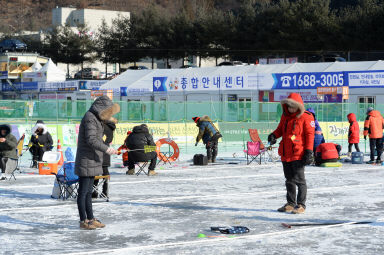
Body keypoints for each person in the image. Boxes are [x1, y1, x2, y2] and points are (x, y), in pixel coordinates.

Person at [75, 96, 120, 230]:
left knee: (89, 192)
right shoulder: (90, 117)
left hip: (93, 158)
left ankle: (91, 218)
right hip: (86, 159)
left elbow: (97, 139)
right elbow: (91, 140)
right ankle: (84, 220)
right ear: (101, 109)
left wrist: (107, 148)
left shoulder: (97, 119)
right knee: (83, 192)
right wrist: (107, 149)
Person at [267, 93, 315, 214]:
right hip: (286, 153)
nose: (291, 109)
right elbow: (279, 130)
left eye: (293, 106)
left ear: (299, 106)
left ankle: (301, 204)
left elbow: (310, 135)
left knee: (300, 180)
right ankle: (290, 203)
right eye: (289, 106)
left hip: (298, 153)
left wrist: (309, 152)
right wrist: (273, 135)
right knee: (289, 180)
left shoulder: (306, 117)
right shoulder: (285, 117)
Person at [92, 120, 116, 198]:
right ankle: (105, 191)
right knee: (105, 172)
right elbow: (109, 140)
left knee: (96, 173)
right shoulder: (110, 128)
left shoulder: (100, 127)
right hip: (106, 152)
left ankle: (94, 192)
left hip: (97, 151)